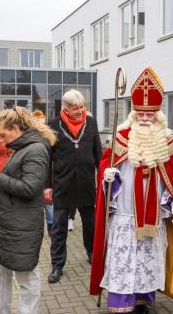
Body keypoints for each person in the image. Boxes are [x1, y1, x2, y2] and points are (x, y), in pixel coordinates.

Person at [90, 68, 173, 313]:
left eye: (151, 114)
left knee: (146, 259)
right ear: (133, 113)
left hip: (153, 220)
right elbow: (105, 164)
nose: (145, 118)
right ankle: (121, 302)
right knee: (123, 260)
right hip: (124, 216)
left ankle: (143, 299)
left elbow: (172, 179)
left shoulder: (167, 142)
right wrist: (106, 176)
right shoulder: (121, 137)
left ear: (159, 115)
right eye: (141, 113)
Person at [0, 106, 56, 314]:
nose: (1, 141)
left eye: (3, 135)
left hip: (23, 224)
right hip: (10, 222)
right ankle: (0, 310)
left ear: (15, 128)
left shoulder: (35, 149)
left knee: (25, 274)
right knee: (0, 268)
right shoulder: (23, 148)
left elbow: (31, 188)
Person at [45, 89, 102, 284]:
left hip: (86, 183)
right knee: (58, 228)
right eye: (75, 108)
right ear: (66, 109)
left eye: (82, 107)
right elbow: (47, 159)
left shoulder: (91, 122)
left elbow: (98, 154)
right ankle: (57, 265)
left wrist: (103, 178)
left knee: (90, 224)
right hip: (62, 184)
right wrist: (47, 186)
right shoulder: (53, 126)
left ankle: (92, 252)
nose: (80, 111)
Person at [33, 109, 54, 235]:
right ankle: (40, 228)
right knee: (40, 204)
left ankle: (51, 228)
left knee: (48, 203)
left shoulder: (48, 137)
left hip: (46, 173)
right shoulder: (31, 136)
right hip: (36, 173)